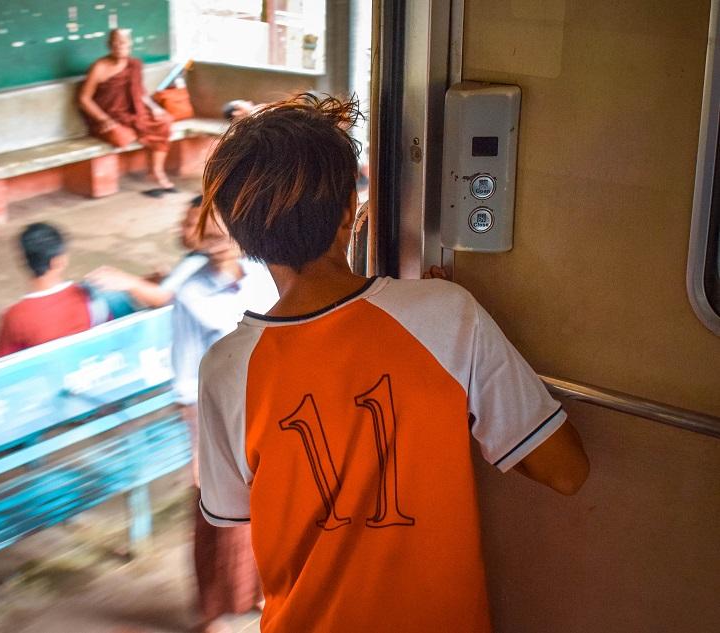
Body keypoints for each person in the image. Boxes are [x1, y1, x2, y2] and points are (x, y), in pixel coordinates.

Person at [195, 94, 590, 633]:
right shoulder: (445, 316)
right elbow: (565, 470)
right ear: (349, 212)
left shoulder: (225, 371)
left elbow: (234, 512)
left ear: (243, 238)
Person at [171, 206, 278, 633]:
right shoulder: (190, 296)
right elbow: (185, 381)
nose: (218, 243)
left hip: (269, 415)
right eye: (209, 236)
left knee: (269, 513)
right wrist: (196, 449)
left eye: (223, 233)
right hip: (220, 424)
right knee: (217, 520)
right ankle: (213, 612)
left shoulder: (265, 277)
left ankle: (262, 592)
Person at [79, 28, 176, 197]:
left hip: (133, 113)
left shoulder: (134, 64)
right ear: (109, 45)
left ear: (130, 44)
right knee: (122, 138)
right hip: (110, 116)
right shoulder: (99, 67)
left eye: (123, 42)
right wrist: (103, 119)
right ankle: (136, 132)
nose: (119, 46)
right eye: (115, 42)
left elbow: (140, 93)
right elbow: (84, 99)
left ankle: (156, 171)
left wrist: (154, 108)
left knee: (165, 121)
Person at [84, 195, 209, 310]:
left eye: (189, 225)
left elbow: (163, 298)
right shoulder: (200, 258)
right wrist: (165, 278)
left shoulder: (198, 262)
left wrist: (130, 282)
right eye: (182, 222)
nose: (180, 229)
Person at [0, 223, 93, 358]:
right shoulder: (87, 296)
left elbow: (2, 363)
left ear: (25, 261)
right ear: (59, 262)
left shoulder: (14, 317)